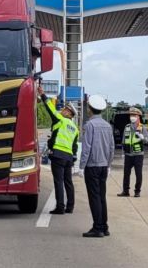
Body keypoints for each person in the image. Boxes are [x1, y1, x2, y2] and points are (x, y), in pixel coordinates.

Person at [38, 85, 79, 214]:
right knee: (68, 182)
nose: (62, 110)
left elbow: (50, 108)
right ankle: (70, 207)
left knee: (58, 182)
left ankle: (60, 207)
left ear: (69, 113)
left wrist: (43, 95)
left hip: (58, 155)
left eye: (65, 109)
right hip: (68, 157)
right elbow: (75, 146)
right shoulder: (75, 128)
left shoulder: (60, 120)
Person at [79, 94, 114, 238]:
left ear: (90, 109)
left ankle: (97, 227)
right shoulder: (107, 126)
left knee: (94, 197)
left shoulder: (90, 125)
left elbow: (86, 148)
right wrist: (109, 164)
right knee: (101, 196)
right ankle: (104, 226)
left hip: (92, 166)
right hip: (104, 166)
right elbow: (112, 147)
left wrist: (81, 166)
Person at [118, 107, 148, 198]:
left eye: (134, 115)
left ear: (138, 116)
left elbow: (147, 140)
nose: (132, 117)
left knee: (138, 174)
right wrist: (123, 153)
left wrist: (143, 138)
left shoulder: (142, 127)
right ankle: (125, 191)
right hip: (128, 155)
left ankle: (137, 191)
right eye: (131, 115)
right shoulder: (127, 127)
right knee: (126, 174)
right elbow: (123, 141)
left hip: (138, 154)